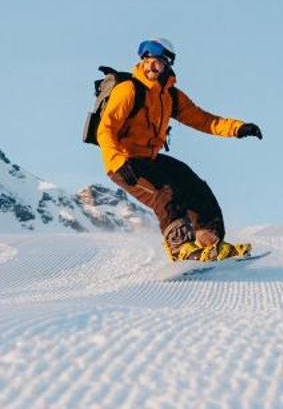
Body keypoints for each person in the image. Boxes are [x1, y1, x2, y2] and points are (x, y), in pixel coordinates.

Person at [96, 37, 263, 261]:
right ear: (143, 62)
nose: (155, 68)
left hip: (150, 158)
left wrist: (237, 128)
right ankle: (181, 248)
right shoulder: (128, 90)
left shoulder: (170, 96)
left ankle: (210, 243)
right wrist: (117, 161)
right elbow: (105, 129)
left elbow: (203, 119)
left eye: (160, 64)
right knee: (165, 194)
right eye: (151, 62)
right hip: (125, 162)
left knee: (194, 186)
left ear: (168, 65)